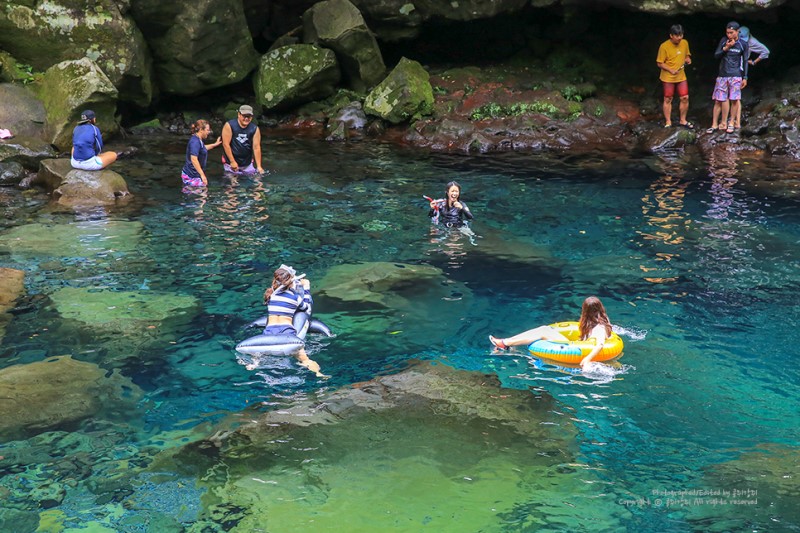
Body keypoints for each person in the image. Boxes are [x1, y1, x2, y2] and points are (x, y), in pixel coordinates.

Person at [489, 296, 613, 369]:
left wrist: (587, 359)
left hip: (576, 349)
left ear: (585, 311)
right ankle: (507, 342)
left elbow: (600, 344)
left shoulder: (599, 327)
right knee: (543, 330)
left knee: (543, 330)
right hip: (579, 345)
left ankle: (505, 343)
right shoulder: (604, 319)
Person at [254, 265, 326, 377]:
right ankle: (318, 373)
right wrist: (306, 288)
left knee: (259, 354)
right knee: (304, 358)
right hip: (286, 332)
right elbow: (306, 307)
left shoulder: (270, 296)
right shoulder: (294, 297)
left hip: (268, 332)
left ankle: (254, 363)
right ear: (291, 281)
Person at [707, 21, 748, 135]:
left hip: (735, 75)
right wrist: (726, 47)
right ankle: (714, 124)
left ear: (737, 32)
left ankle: (731, 123)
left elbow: (745, 61)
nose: (729, 35)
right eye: (727, 32)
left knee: (734, 99)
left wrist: (745, 77)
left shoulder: (743, 44)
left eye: (731, 32)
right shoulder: (724, 40)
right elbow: (716, 55)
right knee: (718, 100)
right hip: (722, 74)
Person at [656, 24, 693, 129]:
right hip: (668, 77)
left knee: (685, 97)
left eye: (681, 35)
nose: (679, 38)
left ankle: (683, 120)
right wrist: (670, 70)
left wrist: (688, 59)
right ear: (671, 35)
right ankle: (668, 121)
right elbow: (659, 63)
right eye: (677, 35)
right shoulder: (664, 46)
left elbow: (687, 55)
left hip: (681, 76)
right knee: (668, 98)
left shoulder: (685, 43)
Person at [735, 26, 770, 131]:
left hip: (741, 68)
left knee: (736, 93)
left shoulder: (752, 42)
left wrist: (754, 62)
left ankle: (736, 120)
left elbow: (766, 52)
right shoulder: (732, 36)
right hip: (731, 65)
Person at [221, 104, 264, 174]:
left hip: (247, 163)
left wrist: (259, 166)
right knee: (233, 182)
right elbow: (226, 144)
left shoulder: (254, 129)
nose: (246, 119)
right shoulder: (229, 125)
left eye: (249, 116)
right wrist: (232, 161)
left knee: (256, 181)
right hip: (230, 162)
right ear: (239, 114)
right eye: (244, 116)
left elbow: (256, 147)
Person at [181, 119, 222, 188]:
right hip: (191, 176)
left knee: (201, 194)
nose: (209, 132)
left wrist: (214, 145)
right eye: (207, 130)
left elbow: (202, 149)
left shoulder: (198, 139)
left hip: (194, 174)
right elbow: (194, 159)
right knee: (202, 193)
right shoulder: (195, 142)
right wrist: (202, 175)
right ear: (201, 130)